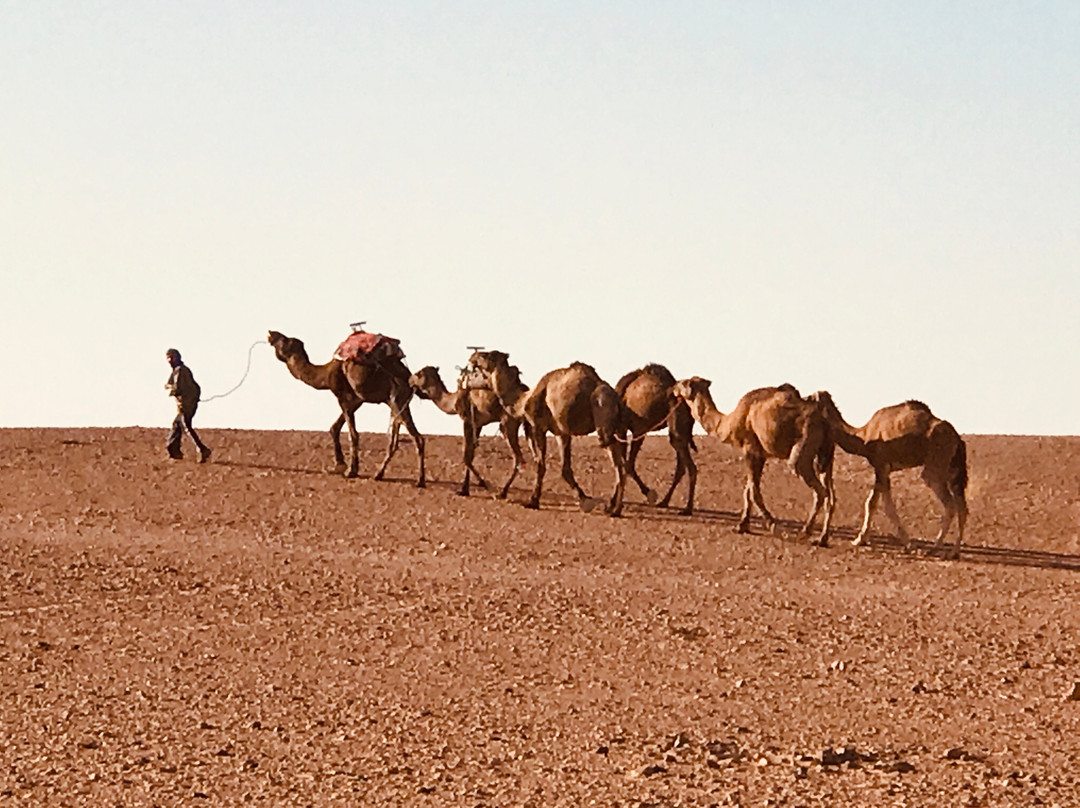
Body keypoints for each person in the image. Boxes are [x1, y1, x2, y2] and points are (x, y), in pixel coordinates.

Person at [165, 348, 211, 463]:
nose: (170, 360)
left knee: (185, 425)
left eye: (172, 357)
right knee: (177, 425)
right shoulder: (176, 371)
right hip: (184, 405)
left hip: (187, 405)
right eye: (168, 358)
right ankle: (174, 451)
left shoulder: (181, 371)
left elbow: (177, 388)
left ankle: (202, 449)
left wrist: (170, 388)